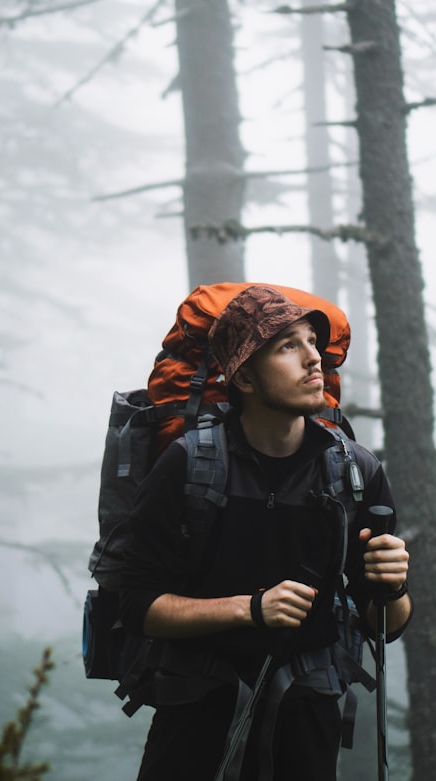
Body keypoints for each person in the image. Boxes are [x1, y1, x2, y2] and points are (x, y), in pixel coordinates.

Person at [119, 285, 411, 781]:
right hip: (195, 719)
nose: (313, 359)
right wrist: (251, 609)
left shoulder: (353, 473)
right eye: (288, 346)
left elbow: (387, 623)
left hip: (306, 726)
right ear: (246, 378)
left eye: (313, 343)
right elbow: (137, 607)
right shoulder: (190, 465)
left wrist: (394, 586)